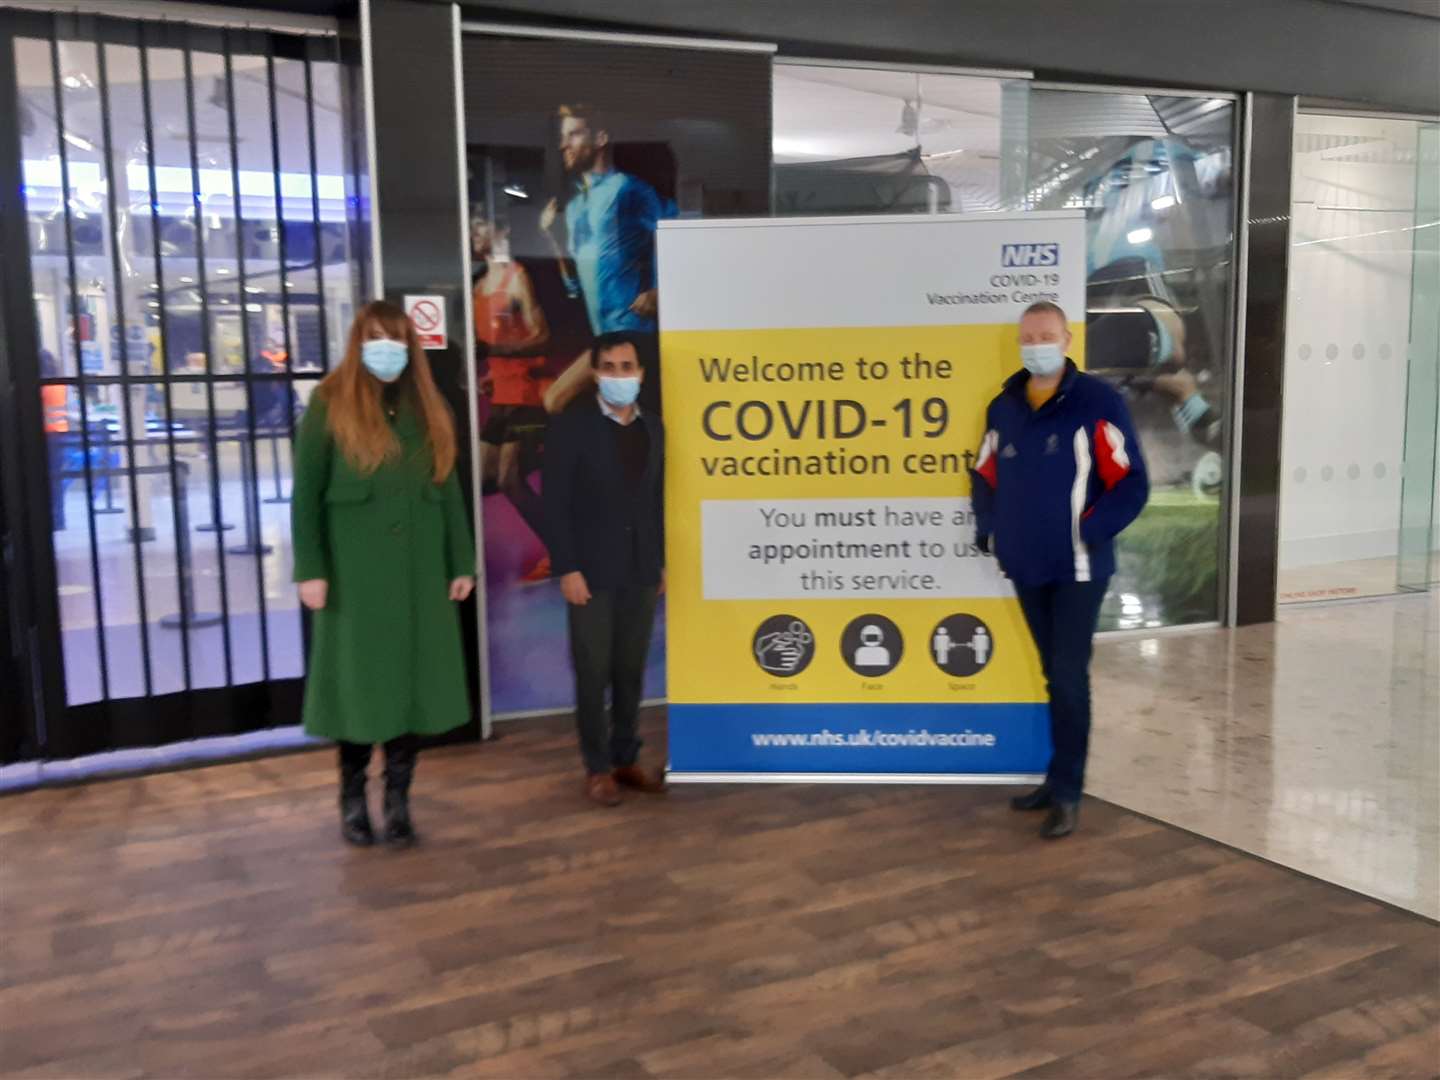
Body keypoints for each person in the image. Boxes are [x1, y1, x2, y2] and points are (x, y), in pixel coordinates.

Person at [291, 300, 476, 848]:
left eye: (397, 339)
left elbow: (446, 490)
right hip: (354, 578)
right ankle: (352, 798)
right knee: (358, 691)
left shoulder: (428, 406)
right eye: (376, 337)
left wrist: (460, 560)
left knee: (410, 690)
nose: (387, 349)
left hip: (419, 575)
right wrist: (311, 569)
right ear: (358, 340)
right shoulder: (329, 403)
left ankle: (397, 801)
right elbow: (306, 497)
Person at [969, 301, 1148, 840]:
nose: (1036, 344)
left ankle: (1069, 791)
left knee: (1069, 678)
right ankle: (1055, 779)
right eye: (1028, 336)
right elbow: (984, 471)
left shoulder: (1097, 402)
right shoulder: (1004, 406)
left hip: (1079, 570)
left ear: (1067, 340)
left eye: (1046, 335)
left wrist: (1090, 531)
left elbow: (1132, 481)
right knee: (1053, 675)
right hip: (1025, 564)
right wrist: (988, 526)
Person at [542, 331, 667, 807]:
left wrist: (659, 564)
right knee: (593, 673)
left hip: (639, 572)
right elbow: (555, 506)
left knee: (630, 669)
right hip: (589, 574)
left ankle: (626, 758)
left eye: (627, 367)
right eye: (610, 368)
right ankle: (596, 768)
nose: (620, 376)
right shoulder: (572, 428)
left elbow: (654, 503)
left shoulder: (654, 428)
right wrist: (568, 569)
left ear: (641, 373)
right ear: (595, 374)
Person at [539, 104, 672, 415]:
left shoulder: (627, 190)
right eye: (562, 137)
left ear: (600, 138)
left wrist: (658, 290)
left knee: (555, 401)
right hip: (603, 338)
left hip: (633, 334)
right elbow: (572, 286)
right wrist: (554, 239)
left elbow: (674, 235)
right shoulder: (572, 209)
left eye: (573, 134)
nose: (563, 145)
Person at [472, 216, 553, 583]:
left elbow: (542, 337)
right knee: (482, 479)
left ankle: (562, 552)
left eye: (479, 226)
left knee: (508, 480)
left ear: (501, 232)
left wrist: (494, 349)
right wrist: (490, 372)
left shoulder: (517, 277)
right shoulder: (476, 288)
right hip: (502, 396)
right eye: (471, 228)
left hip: (526, 394)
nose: (474, 235)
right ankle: (537, 455)